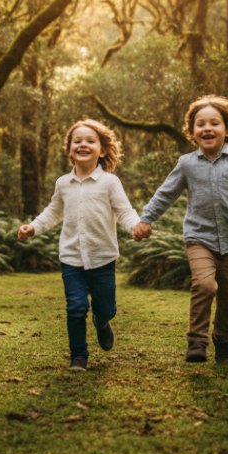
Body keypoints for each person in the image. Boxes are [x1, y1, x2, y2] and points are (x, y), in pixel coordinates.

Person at [132, 95, 228, 364]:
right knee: (204, 284)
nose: (207, 128)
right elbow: (165, 194)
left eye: (214, 123)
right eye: (200, 124)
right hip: (199, 238)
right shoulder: (186, 164)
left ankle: (222, 337)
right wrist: (145, 219)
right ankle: (197, 342)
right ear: (192, 131)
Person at [19, 119, 141, 372]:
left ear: (102, 149)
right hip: (71, 258)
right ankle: (79, 356)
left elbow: (124, 211)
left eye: (90, 141)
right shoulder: (63, 183)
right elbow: (53, 212)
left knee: (106, 307)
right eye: (77, 141)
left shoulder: (109, 182)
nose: (83, 144)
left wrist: (136, 226)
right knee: (76, 306)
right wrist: (33, 227)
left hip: (103, 258)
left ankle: (102, 321)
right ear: (69, 149)